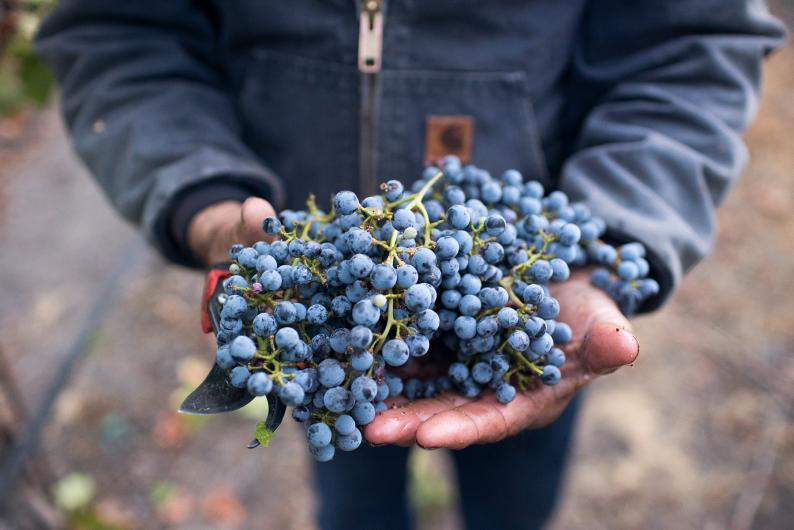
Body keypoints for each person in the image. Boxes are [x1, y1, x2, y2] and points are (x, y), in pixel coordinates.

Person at [35, 2, 785, 529]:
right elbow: (120, 30)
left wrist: (606, 241)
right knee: (352, 476)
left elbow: (691, 48)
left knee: (518, 494)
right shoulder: (332, 313)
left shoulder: (517, 305)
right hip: (330, 334)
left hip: (531, 293)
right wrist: (204, 196)